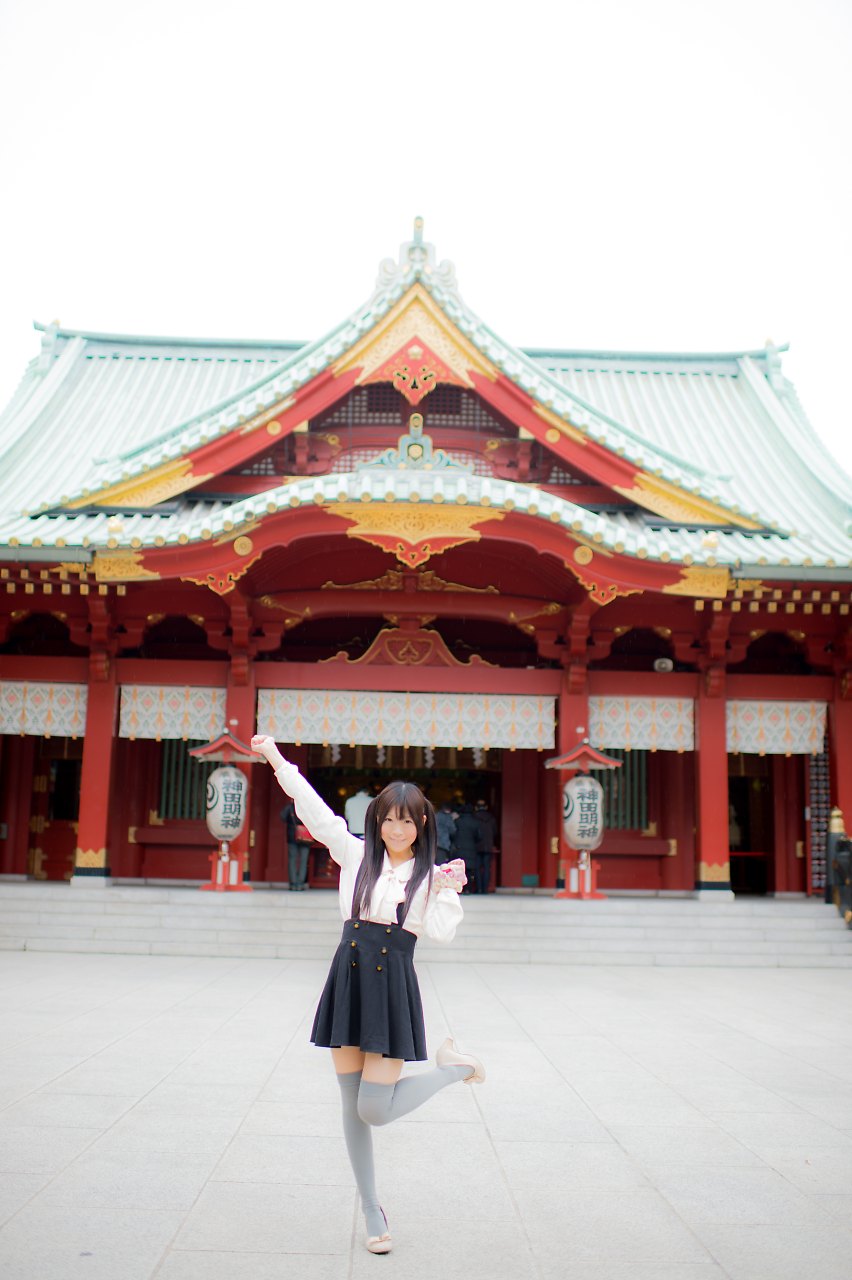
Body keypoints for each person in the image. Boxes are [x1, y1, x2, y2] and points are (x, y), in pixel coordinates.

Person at [251, 734, 484, 1256]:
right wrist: (275, 758)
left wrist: (448, 892)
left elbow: (441, 934)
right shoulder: (355, 854)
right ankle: (371, 1208)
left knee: (375, 1109)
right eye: (388, 819)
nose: (396, 829)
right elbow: (312, 808)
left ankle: (456, 1069)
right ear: (376, 821)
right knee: (351, 1106)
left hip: (392, 982)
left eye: (408, 821)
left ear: (422, 825)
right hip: (350, 974)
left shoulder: (430, 876)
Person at [452, 802, 482, 894]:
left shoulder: (457, 821)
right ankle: (468, 889)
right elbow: (479, 836)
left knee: (458, 869)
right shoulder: (476, 822)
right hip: (471, 848)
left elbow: (452, 834)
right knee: (469, 870)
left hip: (459, 847)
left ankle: (459, 889)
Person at [281, 799, 309, 890]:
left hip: (292, 835)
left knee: (292, 860)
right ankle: (300, 884)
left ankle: (293, 884)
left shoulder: (290, 808)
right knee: (303, 861)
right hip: (305, 837)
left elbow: (282, 817)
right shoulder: (307, 808)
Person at [473, 798, 498, 894]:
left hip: (477, 845)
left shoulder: (474, 818)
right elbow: (495, 832)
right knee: (487, 868)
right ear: (486, 807)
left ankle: (479, 888)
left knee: (477, 868)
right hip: (488, 845)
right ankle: (485, 889)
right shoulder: (491, 818)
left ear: (476, 807)